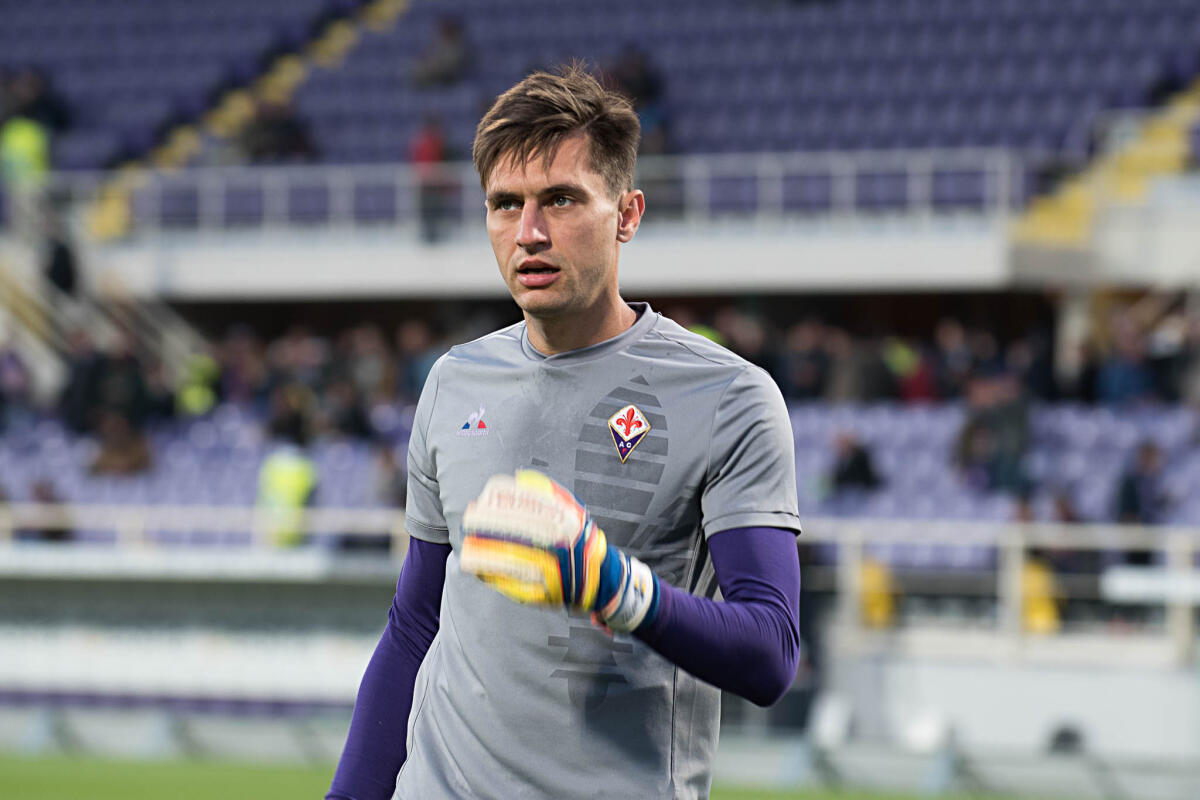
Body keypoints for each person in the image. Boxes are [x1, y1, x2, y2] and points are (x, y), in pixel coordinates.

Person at [327, 65, 802, 800]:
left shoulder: (730, 398)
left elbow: (771, 654)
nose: (530, 233)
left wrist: (616, 587)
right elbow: (414, 627)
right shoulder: (455, 382)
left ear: (628, 213)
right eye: (505, 204)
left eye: (561, 199)